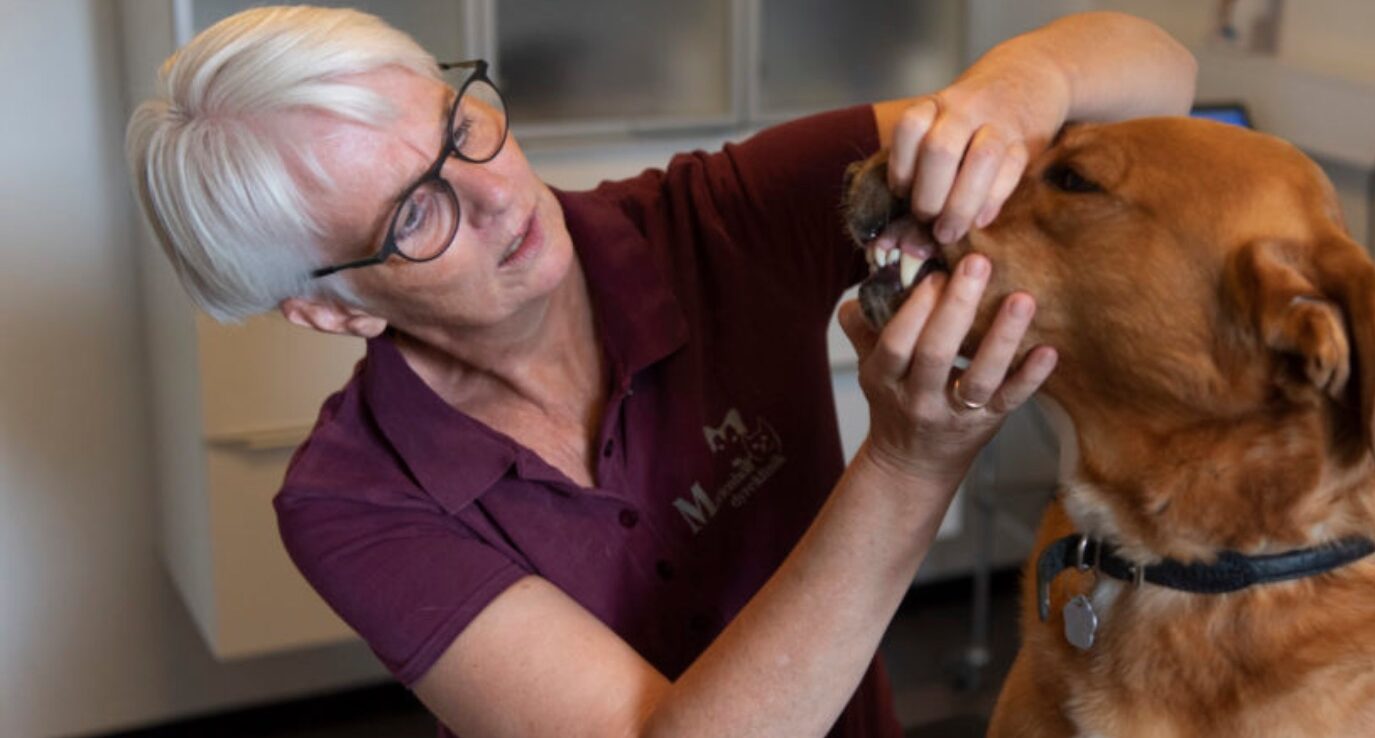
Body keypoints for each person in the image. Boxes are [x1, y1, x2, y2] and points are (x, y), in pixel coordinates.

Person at [127, 6, 1196, 737]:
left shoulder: (711, 223)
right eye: (415, 213)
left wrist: (1018, 87)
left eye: (464, 131)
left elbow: (1160, 68)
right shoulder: (354, 502)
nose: (496, 196)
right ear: (327, 306)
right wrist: (912, 465)